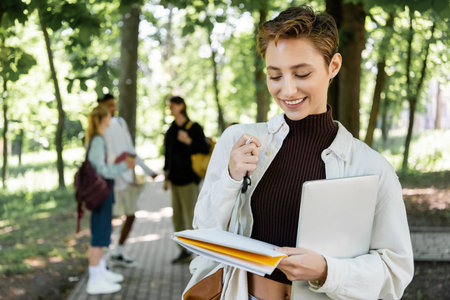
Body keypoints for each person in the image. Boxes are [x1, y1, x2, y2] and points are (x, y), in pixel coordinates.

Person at [188, 5, 414, 300]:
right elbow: (203, 232)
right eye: (275, 76)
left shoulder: (373, 168)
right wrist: (231, 178)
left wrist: (326, 271)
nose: (288, 90)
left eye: (302, 73)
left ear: (333, 66)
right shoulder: (238, 142)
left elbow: (395, 272)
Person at [98, 93, 158, 267]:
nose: (113, 108)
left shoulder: (120, 123)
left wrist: (147, 171)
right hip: (110, 179)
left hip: (127, 177)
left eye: (114, 104)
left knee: (131, 214)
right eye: (109, 105)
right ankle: (104, 256)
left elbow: (130, 150)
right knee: (109, 217)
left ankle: (119, 250)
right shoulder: (99, 126)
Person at [84, 105, 135, 295]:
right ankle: (95, 279)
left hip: (104, 191)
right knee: (99, 235)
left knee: (103, 231)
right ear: (103, 119)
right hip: (100, 192)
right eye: (108, 116)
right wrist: (122, 167)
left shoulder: (99, 139)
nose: (111, 119)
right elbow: (101, 170)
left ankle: (100, 272)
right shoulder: (97, 141)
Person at [163, 96, 210, 263]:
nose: (170, 108)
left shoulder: (194, 127)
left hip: (189, 179)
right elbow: (167, 153)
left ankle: (197, 251)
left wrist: (188, 140)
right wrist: (166, 174)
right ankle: (183, 251)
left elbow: (204, 148)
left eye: (172, 105)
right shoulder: (171, 130)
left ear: (181, 105)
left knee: (191, 216)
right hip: (175, 180)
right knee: (177, 217)